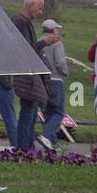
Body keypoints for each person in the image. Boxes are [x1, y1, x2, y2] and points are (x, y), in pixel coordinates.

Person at [10, 0, 46, 151]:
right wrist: (44, 42)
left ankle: (28, 145)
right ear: (30, 5)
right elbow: (26, 50)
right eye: (39, 8)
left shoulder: (26, 22)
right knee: (27, 113)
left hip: (29, 74)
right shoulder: (20, 22)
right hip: (25, 76)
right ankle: (24, 147)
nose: (40, 12)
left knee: (31, 113)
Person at [36, 19, 68, 151]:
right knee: (58, 112)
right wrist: (66, 72)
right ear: (53, 30)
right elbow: (60, 63)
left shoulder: (38, 42)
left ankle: (52, 143)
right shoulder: (57, 43)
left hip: (42, 80)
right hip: (56, 80)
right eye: (57, 28)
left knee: (48, 111)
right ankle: (46, 135)